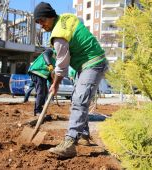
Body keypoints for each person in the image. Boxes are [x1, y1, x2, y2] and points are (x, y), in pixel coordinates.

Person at [34, 2, 108, 158]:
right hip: (85, 63)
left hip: (93, 62)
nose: (41, 25)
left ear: (50, 16)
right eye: (38, 22)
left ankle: (70, 143)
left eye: (42, 21)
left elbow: (62, 66)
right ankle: (83, 135)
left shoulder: (59, 35)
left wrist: (55, 84)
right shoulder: (66, 18)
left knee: (79, 99)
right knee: (79, 99)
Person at [28, 48, 55, 116]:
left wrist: (52, 81)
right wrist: (49, 64)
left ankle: (40, 109)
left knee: (45, 92)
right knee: (41, 92)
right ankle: (37, 111)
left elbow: (49, 72)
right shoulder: (52, 51)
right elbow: (45, 54)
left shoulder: (55, 60)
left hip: (42, 75)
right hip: (37, 72)